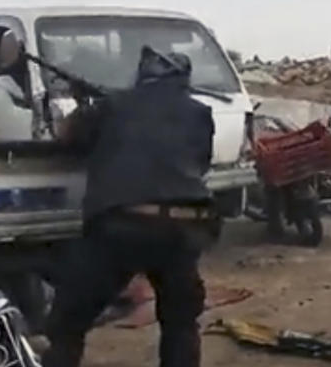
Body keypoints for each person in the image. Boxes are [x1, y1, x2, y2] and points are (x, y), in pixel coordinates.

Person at [43, 46, 219, 367]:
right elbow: (199, 163)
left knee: (68, 321)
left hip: (122, 224)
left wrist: (85, 107)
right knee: (181, 323)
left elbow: (65, 138)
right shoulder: (200, 113)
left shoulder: (113, 105)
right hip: (185, 227)